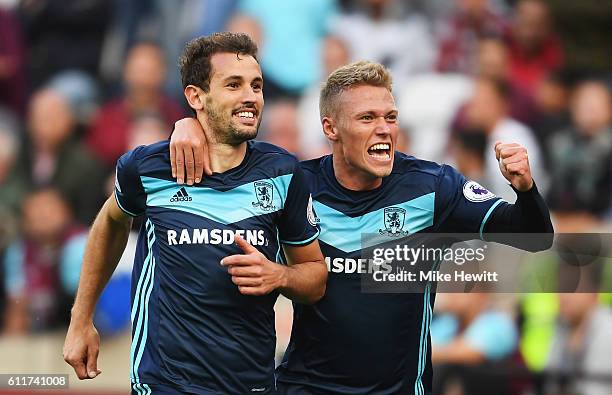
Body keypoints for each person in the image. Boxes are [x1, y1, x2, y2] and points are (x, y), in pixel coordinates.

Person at [171, 60, 553, 394]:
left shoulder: (433, 187)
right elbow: (222, 168)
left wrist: (525, 188)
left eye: (390, 117)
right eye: (367, 118)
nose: (384, 129)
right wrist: (189, 126)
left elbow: (535, 237)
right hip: (306, 387)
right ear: (330, 127)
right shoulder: (294, 186)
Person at [63, 33, 327, 395]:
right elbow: (111, 220)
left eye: (257, 85)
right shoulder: (150, 168)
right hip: (165, 381)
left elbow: (315, 278)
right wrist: (81, 319)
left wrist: (278, 276)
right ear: (195, 97)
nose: (251, 96)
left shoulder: (283, 172)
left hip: (251, 383)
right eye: (233, 85)